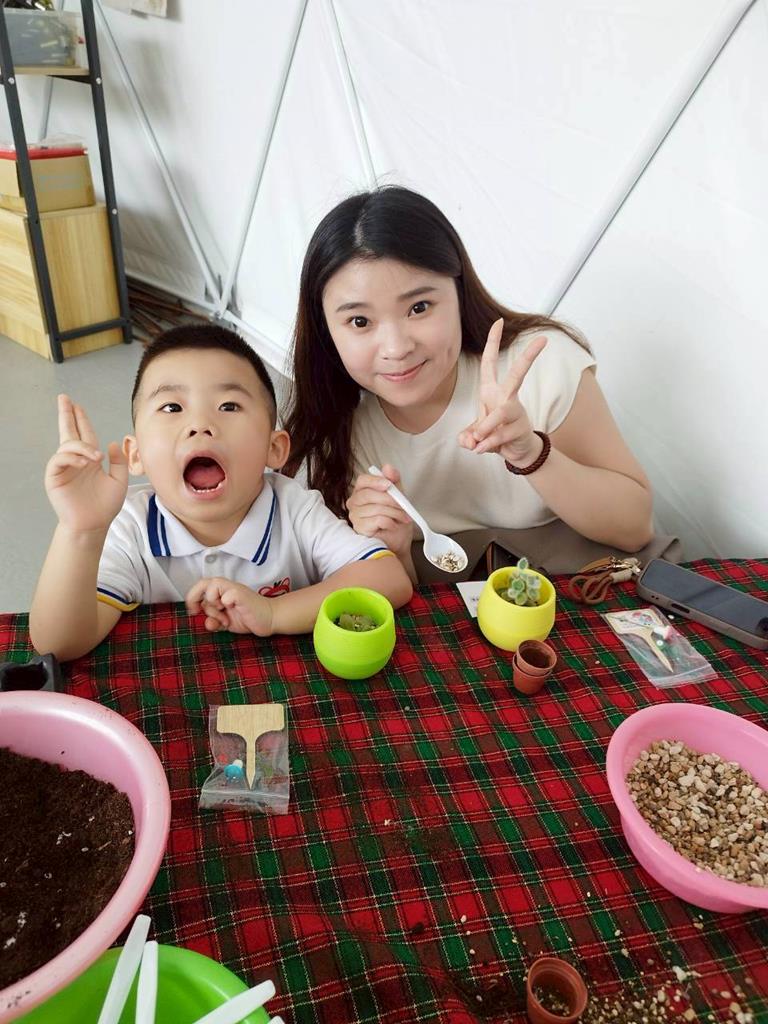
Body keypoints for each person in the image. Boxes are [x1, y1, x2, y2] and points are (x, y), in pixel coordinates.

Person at [284, 186, 654, 583]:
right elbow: (398, 598)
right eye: (360, 321)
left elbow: (635, 529)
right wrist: (393, 552)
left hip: (587, 591)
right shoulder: (336, 432)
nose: (396, 348)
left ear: (459, 293)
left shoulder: (539, 366)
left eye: (419, 307)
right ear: (326, 330)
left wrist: (530, 453)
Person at [30, 325, 412, 661]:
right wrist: (80, 530)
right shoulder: (129, 526)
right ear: (136, 454)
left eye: (229, 405)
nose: (200, 424)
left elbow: (388, 578)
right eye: (172, 407)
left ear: (274, 448)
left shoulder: (294, 508)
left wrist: (273, 613)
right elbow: (57, 644)